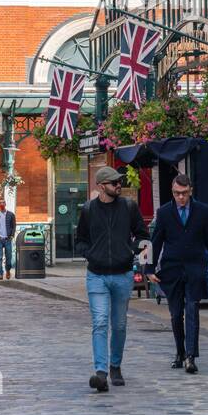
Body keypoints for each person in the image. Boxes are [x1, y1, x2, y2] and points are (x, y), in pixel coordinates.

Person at [75, 166, 149, 392]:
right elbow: (80, 241)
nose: (119, 185)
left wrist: (132, 251)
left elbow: (144, 236)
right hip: (96, 275)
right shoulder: (88, 210)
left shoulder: (129, 207)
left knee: (119, 324)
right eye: (114, 182)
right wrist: (89, 253)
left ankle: (115, 365)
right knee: (99, 323)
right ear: (101, 186)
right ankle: (101, 372)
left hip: (123, 275)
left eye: (119, 182)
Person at [149, 174, 208, 373]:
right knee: (176, 315)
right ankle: (180, 352)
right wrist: (149, 269)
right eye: (176, 193)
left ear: (190, 191)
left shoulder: (202, 211)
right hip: (172, 269)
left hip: (194, 268)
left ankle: (191, 356)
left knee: (192, 310)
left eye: (183, 193)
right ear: (172, 192)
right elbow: (156, 243)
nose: (180, 197)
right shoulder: (164, 212)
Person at [0, 198, 17, 280]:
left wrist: (12, 235)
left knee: (9, 258)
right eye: (0, 203)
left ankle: (8, 270)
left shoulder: (11, 215)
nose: (1, 204)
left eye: (3, 203)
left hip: (8, 239)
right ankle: (0, 274)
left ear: (5, 204)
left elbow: (13, 226)